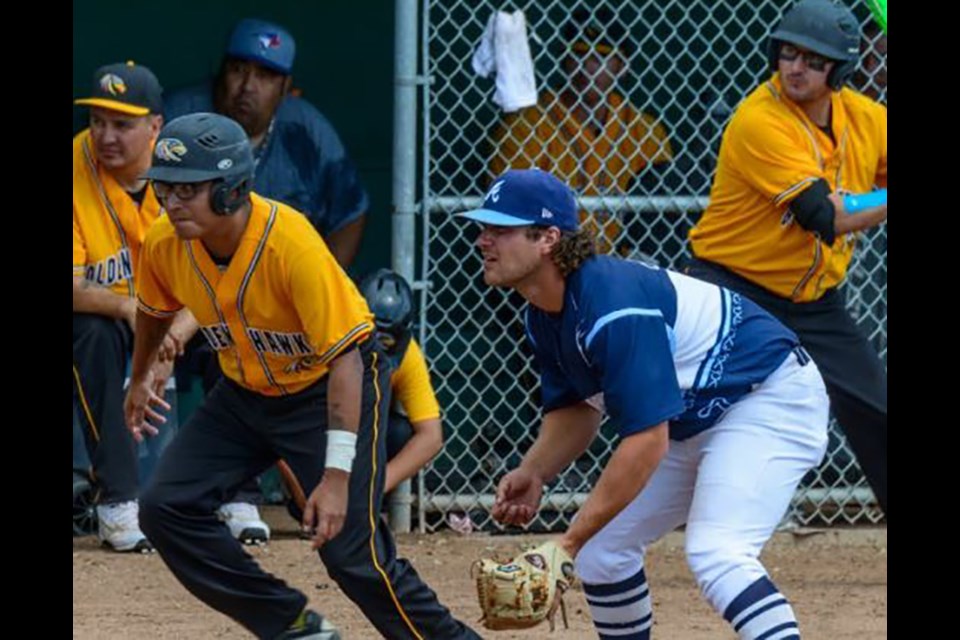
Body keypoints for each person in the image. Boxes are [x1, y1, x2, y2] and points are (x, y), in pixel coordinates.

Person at [124, 112, 480, 640]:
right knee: (164, 508)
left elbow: (347, 359)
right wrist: (140, 376)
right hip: (246, 394)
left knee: (353, 558)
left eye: (189, 190)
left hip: (329, 388)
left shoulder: (291, 244)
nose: (172, 203)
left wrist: (335, 479)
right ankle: (290, 624)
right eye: (165, 189)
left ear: (231, 190)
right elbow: (153, 310)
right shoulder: (164, 242)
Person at [458, 168, 829, 639]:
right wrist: (535, 471)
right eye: (483, 228)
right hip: (697, 417)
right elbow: (577, 409)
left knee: (718, 550)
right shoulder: (542, 314)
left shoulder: (613, 303)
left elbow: (647, 441)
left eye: (500, 229)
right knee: (602, 554)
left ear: (548, 238)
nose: (483, 240)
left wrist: (566, 542)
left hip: (768, 397)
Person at [686, 0, 888, 513]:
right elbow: (824, 215)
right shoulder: (760, 119)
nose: (796, 68)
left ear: (838, 70)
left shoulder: (864, 118)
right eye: (789, 54)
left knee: (877, 407)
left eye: (814, 60)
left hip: (815, 300)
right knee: (689, 416)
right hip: (733, 291)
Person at [73, 61, 197, 552]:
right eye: (97, 120)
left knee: (230, 322)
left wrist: (171, 340)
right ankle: (118, 501)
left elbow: (220, 282)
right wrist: (132, 311)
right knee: (92, 331)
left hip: (179, 315)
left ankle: (237, 497)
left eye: (122, 124)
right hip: (111, 314)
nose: (106, 135)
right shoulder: (76, 166)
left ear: (155, 127)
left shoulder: (187, 171)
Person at [164, 18, 368, 267]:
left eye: (265, 76)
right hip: (188, 278)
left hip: (275, 287)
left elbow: (351, 214)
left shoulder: (308, 131)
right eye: (238, 70)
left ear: (284, 88)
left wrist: (324, 282)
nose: (248, 86)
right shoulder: (177, 118)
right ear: (221, 73)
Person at [487, 7, 674, 255]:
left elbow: (663, 223)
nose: (588, 67)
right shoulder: (528, 124)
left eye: (602, 56)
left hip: (622, 267)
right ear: (564, 60)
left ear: (622, 65)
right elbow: (506, 210)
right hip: (549, 265)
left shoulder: (645, 130)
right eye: (579, 54)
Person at [359, 270, 443, 495]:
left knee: (399, 433)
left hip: (365, 435)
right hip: (323, 434)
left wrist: (372, 491)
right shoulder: (327, 340)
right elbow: (283, 424)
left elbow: (431, 436)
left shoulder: (407, 353)